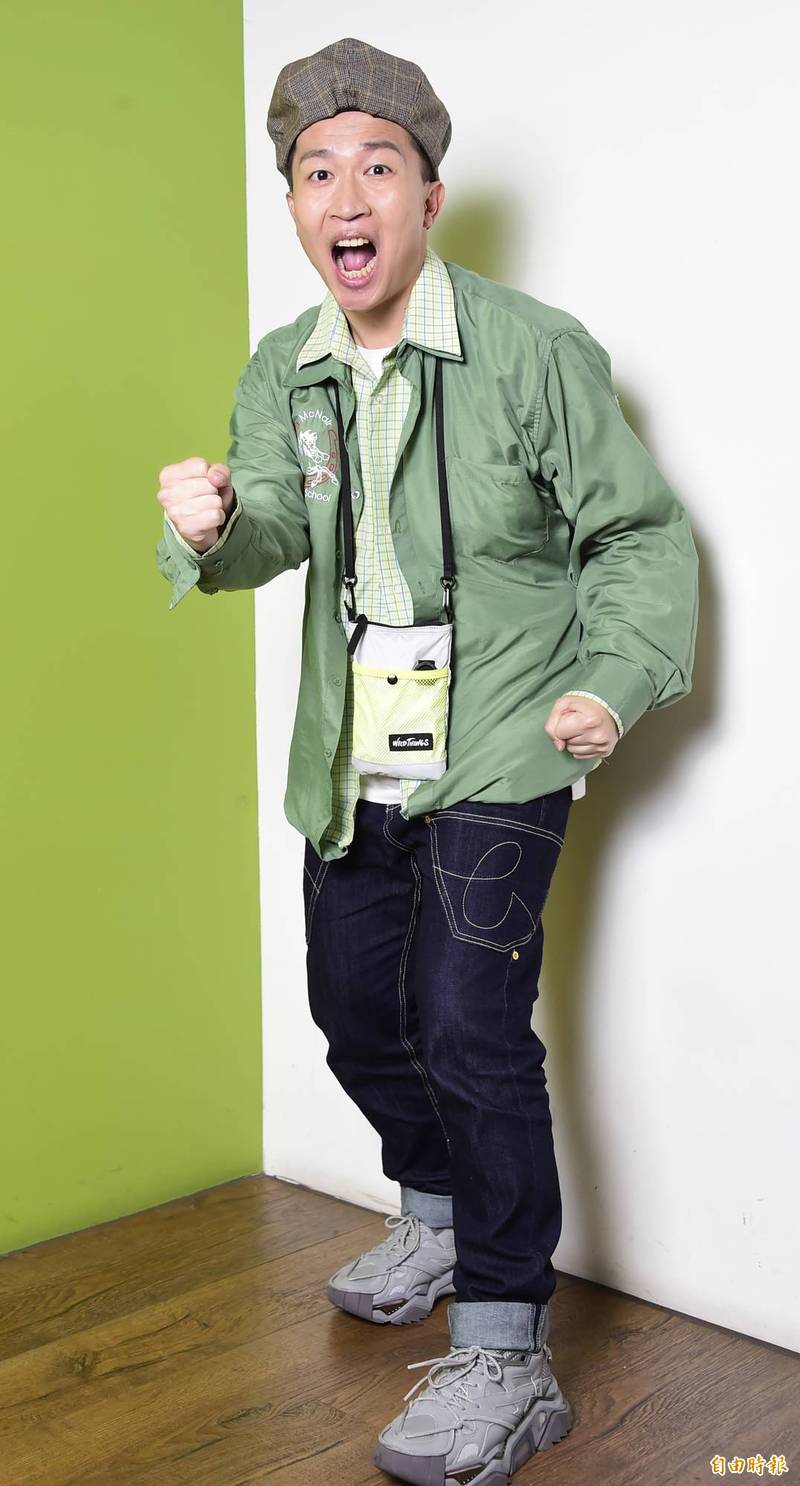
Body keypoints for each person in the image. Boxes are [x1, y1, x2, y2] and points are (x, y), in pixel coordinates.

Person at [155, 35, 699, 1485]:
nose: (346, 196)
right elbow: (275, 522)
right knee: (352, 1009)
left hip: (504, 738)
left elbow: (637, 533)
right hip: (356, 749)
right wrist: (214, 527)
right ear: (294, 205)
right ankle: (439, 1210)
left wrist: (611, 680)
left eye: (378, 168)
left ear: (430, 195)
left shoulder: (532, 349)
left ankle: (509, 1348)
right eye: (316, 173)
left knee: (469, 1023)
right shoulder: (287, 371)